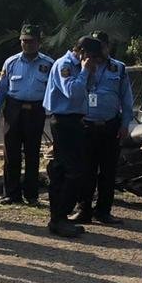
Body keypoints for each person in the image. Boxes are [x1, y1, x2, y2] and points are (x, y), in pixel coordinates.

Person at [0, 25, 53, 205]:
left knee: (32, 153)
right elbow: (0, 90)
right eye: (24, 41)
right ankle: (11, 193)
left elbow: (54, 90)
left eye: (31, 41)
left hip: (36, 111)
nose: (27, 44)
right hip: (13, 110)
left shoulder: (48, 64)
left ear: (39, 42)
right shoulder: (11, 62)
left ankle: (31, 195)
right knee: (11, 153)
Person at [43, 35, 99, 239]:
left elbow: (87, 90)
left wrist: (89, 73)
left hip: (75, 121)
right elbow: (72, 93)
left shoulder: (81, 66)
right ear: (83, 53)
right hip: (63, 121)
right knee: (68, 170)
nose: (95, 61)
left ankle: (61, 216)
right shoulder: (64, 65)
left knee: (73, 170)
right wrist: (84, 71)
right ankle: (58, 218)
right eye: (93, 57)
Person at [76, 30, 133, 226]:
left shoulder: (119, 68)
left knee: (108, 172)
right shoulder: (81, 66)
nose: (97, 52)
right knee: (86, 170)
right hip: (86, 125)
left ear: (107, 47)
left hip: (110, 126)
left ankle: (104, 211)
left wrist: (125, 124)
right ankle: (83, 210)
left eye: (100, 47)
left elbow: (127, 99)